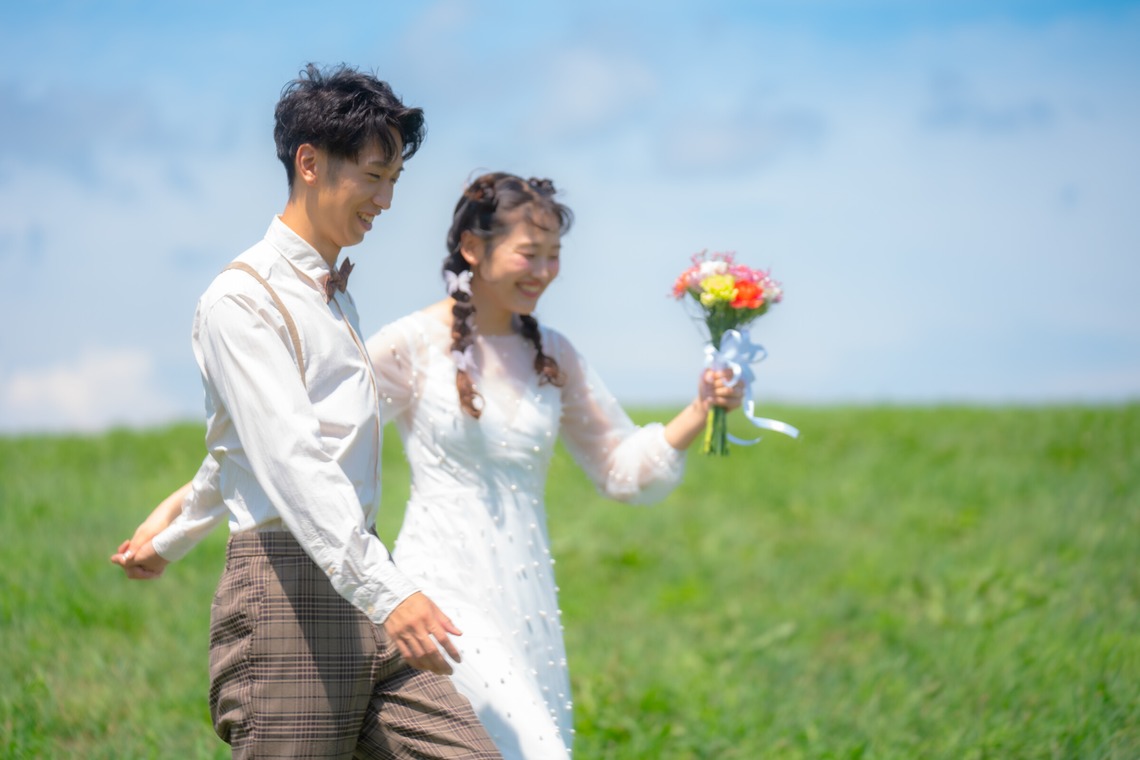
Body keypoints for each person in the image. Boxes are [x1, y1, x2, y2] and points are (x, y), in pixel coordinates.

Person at [117, 172, 745, 759]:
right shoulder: (409, 343)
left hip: (525, 600)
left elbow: (621, 469)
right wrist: (174, 523)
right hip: (436, 589)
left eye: (555, 255)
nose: (546, 271)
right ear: (473, 247)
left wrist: (700, 407)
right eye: (531, 252)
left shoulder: (555, 355)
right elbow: (293, 447)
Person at [114, 63, 500, 759]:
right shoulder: (241, 300)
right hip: (290, 595)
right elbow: (288, 460)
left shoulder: (333, 296)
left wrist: (171, 533)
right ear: (311, 162)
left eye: (393, 182)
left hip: (358, 575)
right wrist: (390, 594)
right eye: (373, 176)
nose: (385, 200)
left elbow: (239, 449)